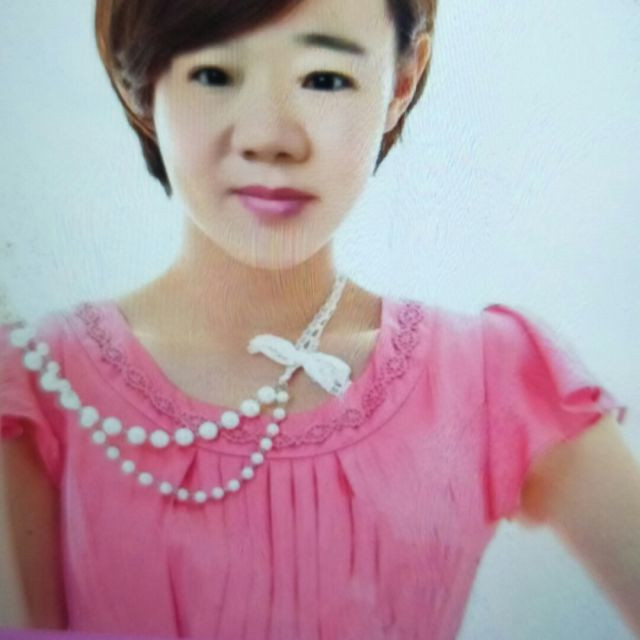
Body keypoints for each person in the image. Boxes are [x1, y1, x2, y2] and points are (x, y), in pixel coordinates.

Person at [0, 0, 638, 638]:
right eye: (214, 75)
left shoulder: (488, 377)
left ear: (402, 81)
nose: (270, 138)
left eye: (324, 79)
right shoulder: (38, 387)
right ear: (139, 82)